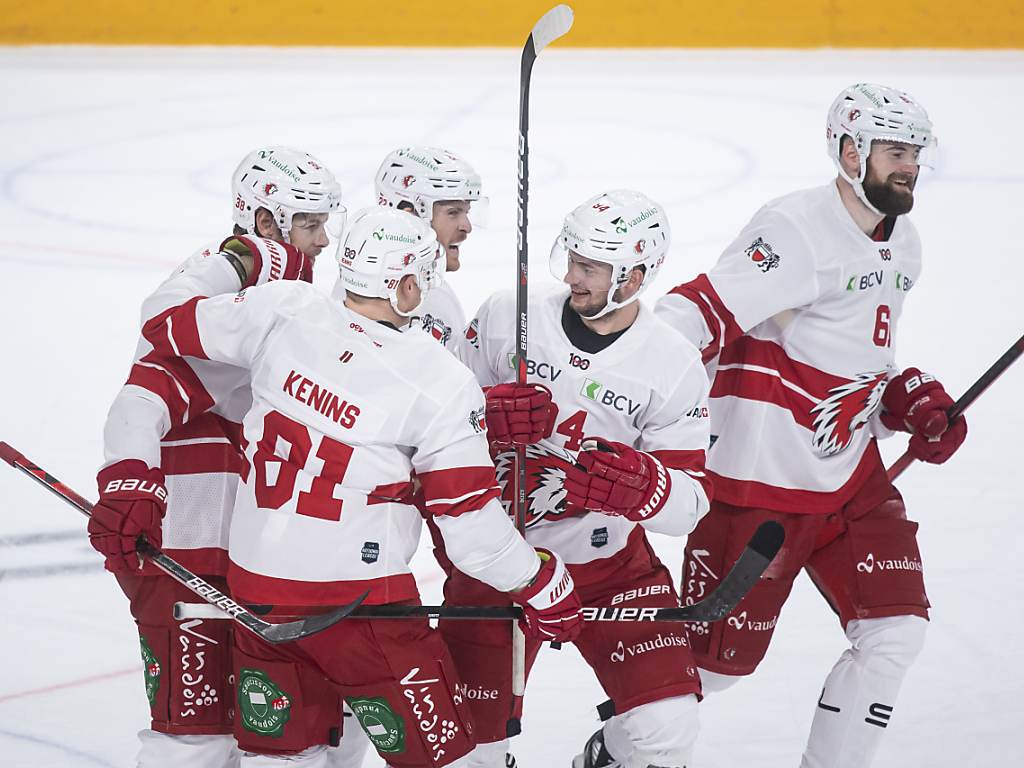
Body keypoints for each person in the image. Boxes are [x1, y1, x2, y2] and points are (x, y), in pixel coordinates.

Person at [104, 206, 583, 768]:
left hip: (257, 600)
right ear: (407, 286)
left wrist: (240, 258)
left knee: (284, 762)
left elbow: (163, 320)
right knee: (446, 761)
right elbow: (472, 533)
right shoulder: (441, 381)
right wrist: (542, 582)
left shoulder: (282, 309)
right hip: (362, 611)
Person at [653, 83, 968, 768]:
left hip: (851, 479)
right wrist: (617, 389)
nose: (910, 166)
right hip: (759, 486)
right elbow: (695, 316)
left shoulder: (904, 242)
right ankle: (621, 750)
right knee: (710, 673)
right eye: (894, 151)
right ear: (851, 152)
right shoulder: (793, 230)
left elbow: (855, 361)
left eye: (915, 152)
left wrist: (903, 402)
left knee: (895, 634)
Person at [87, 146, 346, 768]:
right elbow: (141, 396)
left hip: (266, 549)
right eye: (310, 224)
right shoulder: (219, 307)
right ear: (265, 222)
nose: (323, 241)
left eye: (324, 224)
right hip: (188, 548)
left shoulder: (292, 310)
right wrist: (128, 483)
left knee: (297, 735)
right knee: (197, 737)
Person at [451, 190, 714, 768]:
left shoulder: (673, 362)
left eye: (590, 267)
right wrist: (484, 416)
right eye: (571, 258)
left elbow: (691, 503)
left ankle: (607, 756)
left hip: (610, 570)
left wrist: (645, 487)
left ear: (635, 276)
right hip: (498, 562)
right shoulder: (507, 314)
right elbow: (431, 421)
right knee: (468, 754)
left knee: (668, 729)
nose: (571, 276)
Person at [375, 146, 487, 351]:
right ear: (410, 217)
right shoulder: (428, 298)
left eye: (467, 212)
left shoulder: (358, 277)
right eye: (453, 213)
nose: (467, 227)